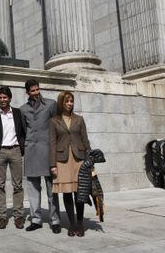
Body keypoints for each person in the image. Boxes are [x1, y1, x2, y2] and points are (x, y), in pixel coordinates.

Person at [20, 79, 61, 233]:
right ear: (27, 92)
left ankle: (55, 220)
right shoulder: (23, 109)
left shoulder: (50, 104)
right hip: (31, 151)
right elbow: (24, 130)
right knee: (32, 188)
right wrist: (27, 145)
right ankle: (36, 219)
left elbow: (57, 126)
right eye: (32, 91)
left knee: (52, 188)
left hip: (48, 151)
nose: (36, 93)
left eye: (37, 89)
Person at [49, 91, 91, 237]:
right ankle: (72, 225)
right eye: (67, 101)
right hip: (62, 161)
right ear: (61, 103)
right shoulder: (54, 121)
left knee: (80, 193)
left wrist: (89, 160)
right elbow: (52, 144)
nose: (69, 104)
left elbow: (85, 141)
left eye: (71, 101)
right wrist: (52, 164)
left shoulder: (79, 119)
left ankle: (80, 224)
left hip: (79, 159)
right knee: (67, 193)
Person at [0, 86, 25, 230]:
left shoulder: (18, 113)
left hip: (15, 150)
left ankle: (18, 216)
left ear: (10, 98)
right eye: (0, 97)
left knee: (18, 185)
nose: (2, 100)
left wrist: (22, 148)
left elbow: (23, 132)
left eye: (5, 97)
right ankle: (2, 216)